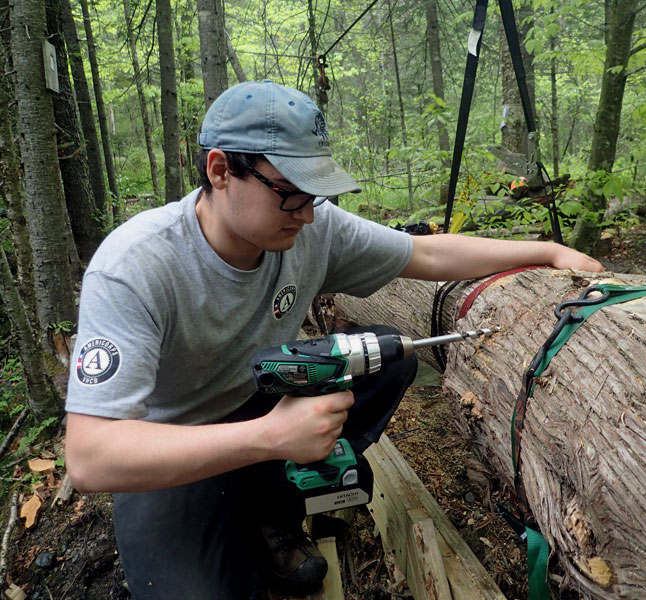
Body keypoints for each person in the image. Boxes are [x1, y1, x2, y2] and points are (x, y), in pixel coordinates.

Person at [64, 80, 602, 599]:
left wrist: (546, 252)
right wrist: (270, 437)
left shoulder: (310, 226)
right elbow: (92, 457)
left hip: (259, 397)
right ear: (221, 169)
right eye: (291, 194)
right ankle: (234, 504)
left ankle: (272, 511)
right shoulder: (136, 267)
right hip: (171, 441)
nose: (306, 213)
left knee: (387, 357)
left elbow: (429, 255)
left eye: (316, 196)